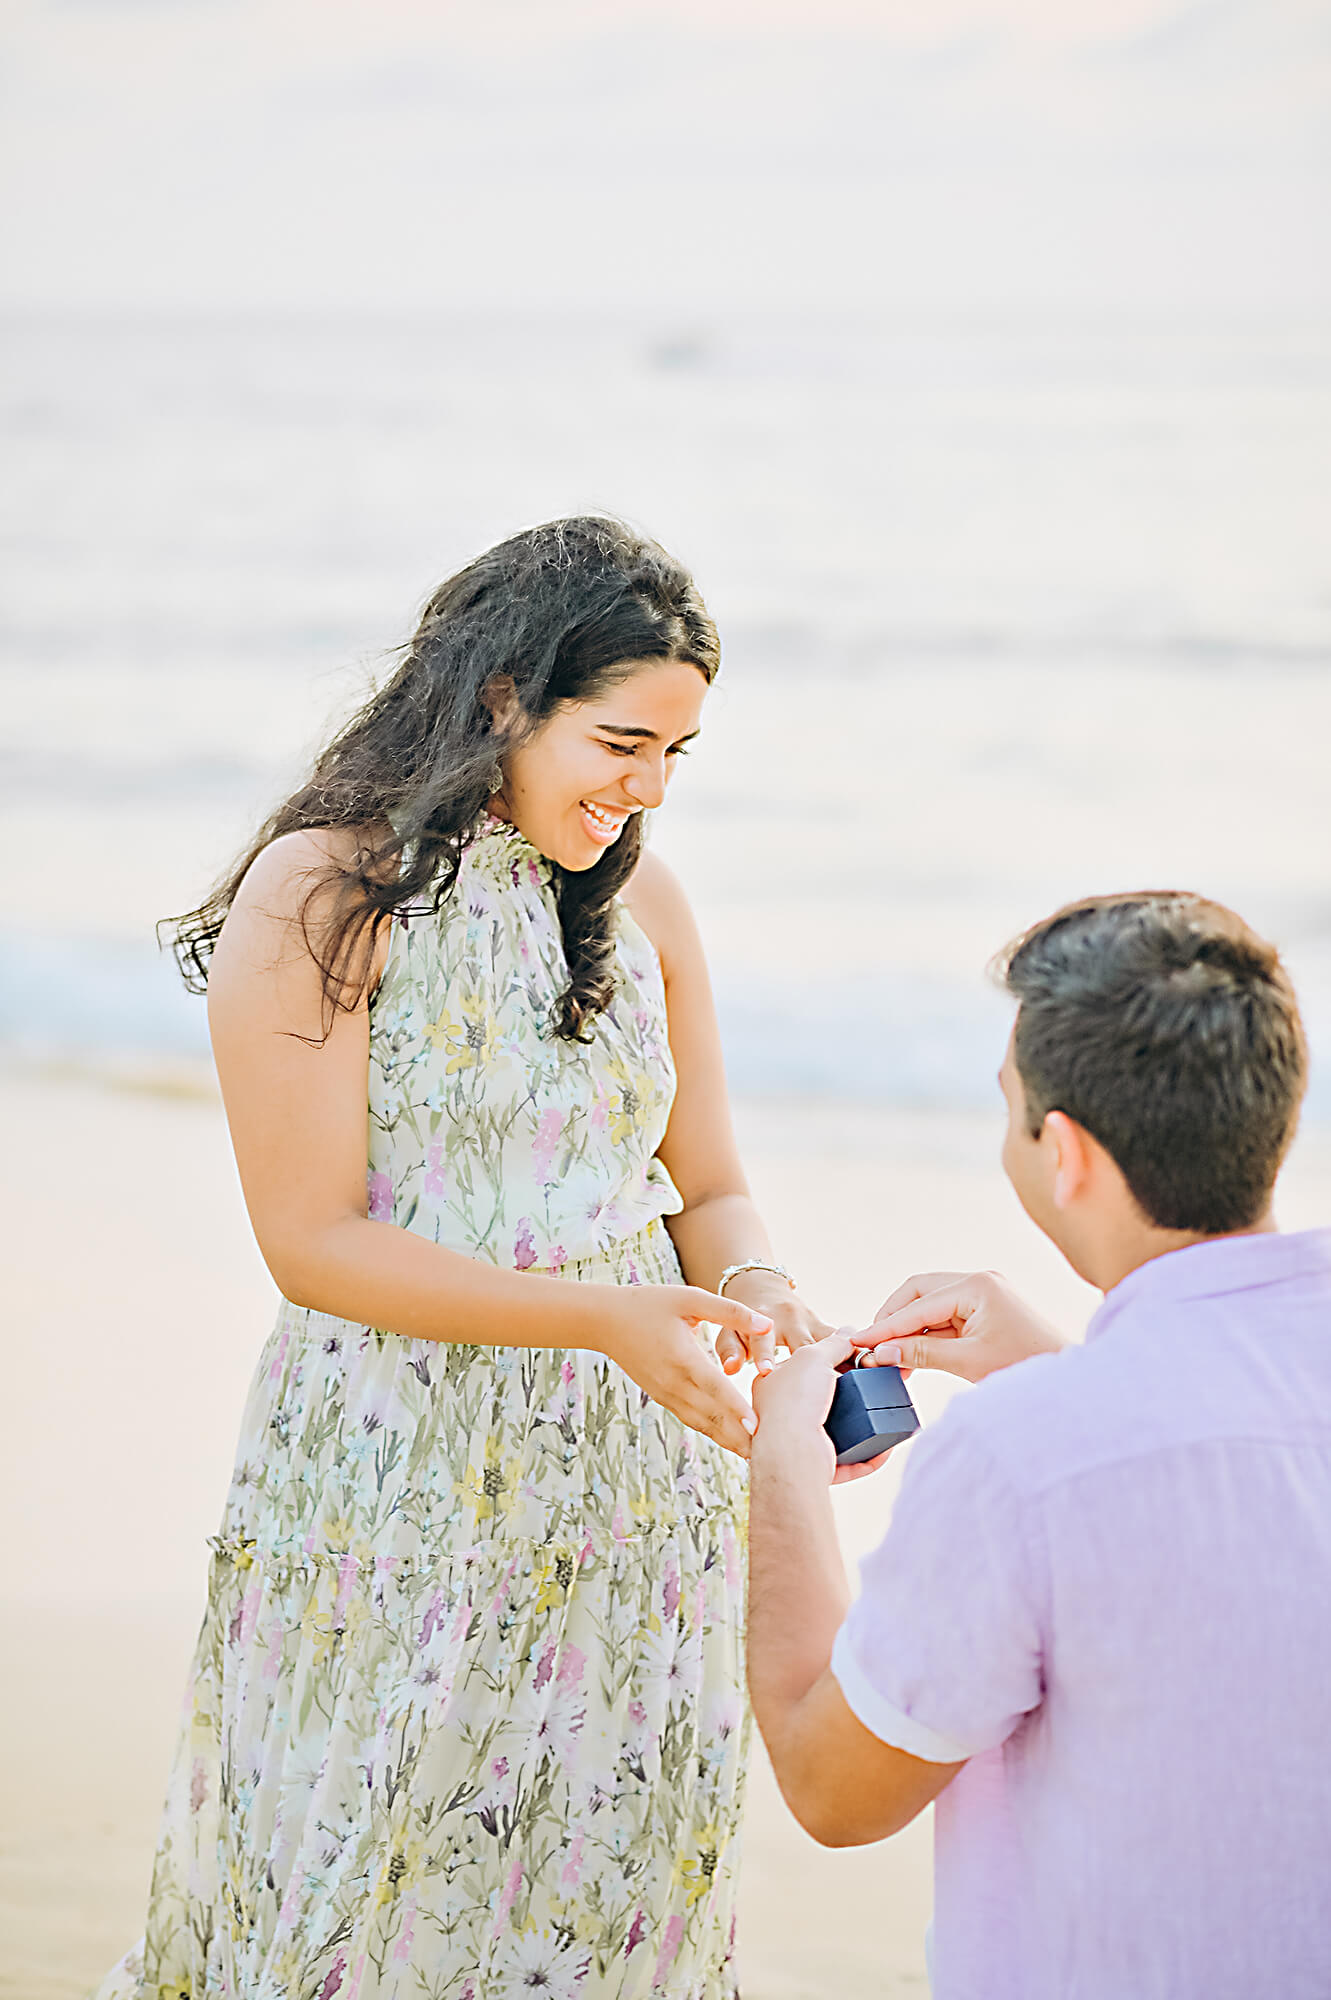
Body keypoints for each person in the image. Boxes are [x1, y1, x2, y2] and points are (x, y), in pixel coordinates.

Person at [95, 517, 832, 2000]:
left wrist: (759, 1292)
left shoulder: (643, 901)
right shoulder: (322, 894)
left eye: (675, 756)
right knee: (357, 1875)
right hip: (398, 1473)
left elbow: (710, 1184)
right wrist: (601, 1319)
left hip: (633, 1485)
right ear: (502, 697)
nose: (643, 790)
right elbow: (315, 1246)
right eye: (619, 741)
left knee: (600, 1882)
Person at [745, 891, 1331, 2000]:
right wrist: (1059, 1370)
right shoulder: (1067, 1426)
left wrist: (783, 1469)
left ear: (1060, 1151)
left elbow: (829, 1785)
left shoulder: (1023, 1459)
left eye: (1006, 1106)